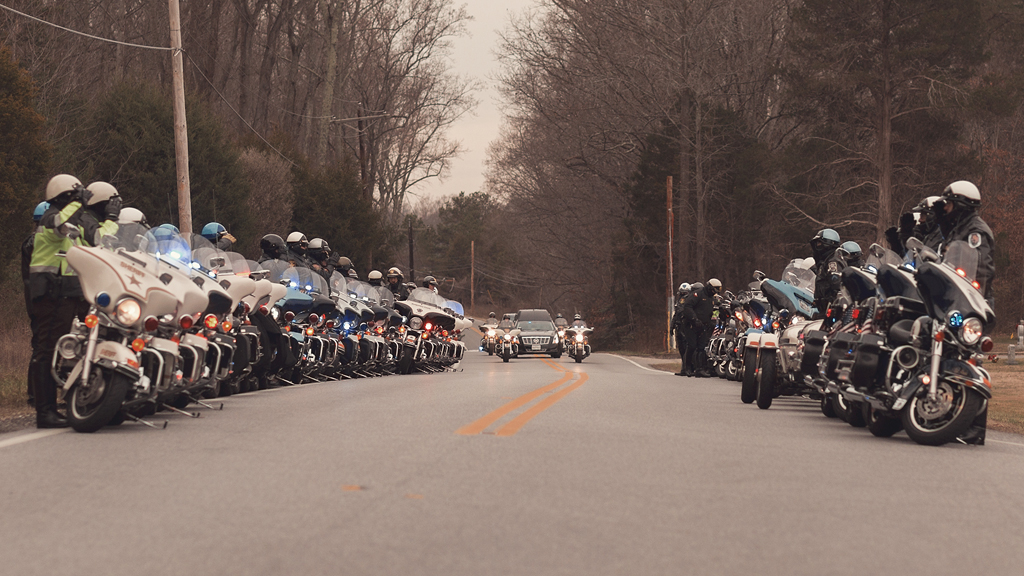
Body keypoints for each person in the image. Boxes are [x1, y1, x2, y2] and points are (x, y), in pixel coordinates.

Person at [29, 176, 119, 428]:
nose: (80, 202)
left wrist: (111, 220)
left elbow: (100, 241)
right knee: (46, 351)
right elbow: (61, 222)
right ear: (64, 197)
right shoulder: (51, 219)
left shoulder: (73, 226)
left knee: (87, 344)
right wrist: (79, 201)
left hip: (72, 294)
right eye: (75, 196)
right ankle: (44, 412)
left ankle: (86, 399)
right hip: (51, 294)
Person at [22, 201, 49, 406]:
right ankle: (35, 393)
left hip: (38, 299)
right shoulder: (35, 243)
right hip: (40, 300)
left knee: (41, 344)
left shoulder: (33, 242)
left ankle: (38, 392)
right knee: (41, 345)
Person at [683, 279, 721, 377]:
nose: (714, 293)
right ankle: (687, 368)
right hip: (692, 324)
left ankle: (700, 369)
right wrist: (694, 319)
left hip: (704, 326)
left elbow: (714, 310)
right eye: (713, 290)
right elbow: (687, 306)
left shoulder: (712, 298)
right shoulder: (697, 294)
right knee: (691, 346)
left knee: (702, 347)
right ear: (709, 287)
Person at [809, 228, 843, 314]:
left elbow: (837, 286)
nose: (817, 246)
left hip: (831, 310)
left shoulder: (833, 262)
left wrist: (832, 303)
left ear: (828, 244)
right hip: (823, 308)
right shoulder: (825, 262)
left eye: (819, 243)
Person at [670, 282, 691, 376]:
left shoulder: (691, 301)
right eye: (682, 293)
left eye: (685, 293)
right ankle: (684, 368)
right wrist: (672, 326)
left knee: (687, 348)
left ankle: (688, 368)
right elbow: (676, 314)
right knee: (681, 348)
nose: (683, 295)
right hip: (679, 326)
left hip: (686, 326)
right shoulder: (679, 301)